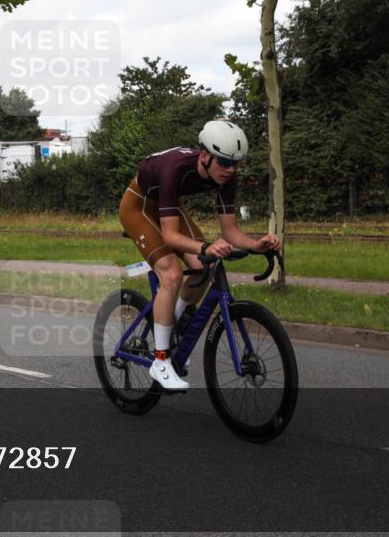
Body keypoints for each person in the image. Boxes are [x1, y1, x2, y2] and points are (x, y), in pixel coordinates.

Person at [117, 119, 282, 390]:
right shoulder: (175, 169)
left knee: (207, 266)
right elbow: (170, 236)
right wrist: (205, 246)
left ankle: (174, 323)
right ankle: (160, 361)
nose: (231, 170)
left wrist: (255, 244)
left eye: (237, 163)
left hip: (169, 204)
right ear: (205, 156)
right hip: (139, 206)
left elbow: (230, 230)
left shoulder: (227, 176)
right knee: (171, 273)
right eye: (225, 162)